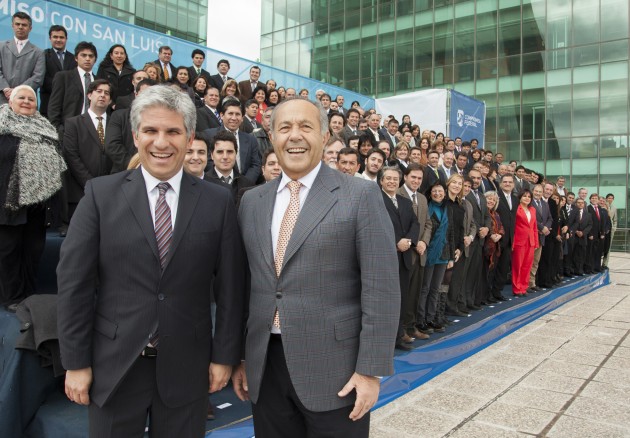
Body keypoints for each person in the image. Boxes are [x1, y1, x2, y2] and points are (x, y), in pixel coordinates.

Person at [57, 85, 245, 436]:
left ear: (189, 138)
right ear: (135, 135)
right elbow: (74, 286)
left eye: (173, 131)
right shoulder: (100, 195)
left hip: (188, 369)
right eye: (151, 131)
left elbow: (232, 288)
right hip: (113, 368)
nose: (161, 142)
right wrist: (76, 362)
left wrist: (224, 356)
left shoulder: (217, 203)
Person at [234, 98, 399, 437]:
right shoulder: (251, 202)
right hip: (266, 367)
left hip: (336, 371)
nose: (295, 136)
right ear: (271, 136)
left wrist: (370, 371)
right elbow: (244, 285)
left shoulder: (360, 195)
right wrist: (241, 357)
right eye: (285, 128)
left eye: (306, 127)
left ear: (325, 137)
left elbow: (381, 287)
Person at [0, 85, 66, 308]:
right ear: (11, 101)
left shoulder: (46, 129)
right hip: (8, 202)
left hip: (39, 205)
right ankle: (11, 297)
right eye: (22, 98)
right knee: (9, 251)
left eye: (31, 98)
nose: (27, 101)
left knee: (33, 250)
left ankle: (27, 295)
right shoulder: (2, 127)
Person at [380, 166, 419, 351]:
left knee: (402, 298)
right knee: (386, 300)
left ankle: (398, 336)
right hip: (386, 256)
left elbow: (415, 223)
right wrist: (396, 242)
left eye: (395, 179)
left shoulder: (404, 201)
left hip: (404, 257)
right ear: (381, 181)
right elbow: (376, 227)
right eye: (388, 178)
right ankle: (385, 340)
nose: (391, 182)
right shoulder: (375, 200)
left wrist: (408, 241)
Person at [62, 79, 112, 219]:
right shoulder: (73, 123)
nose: (103, 95)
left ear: (110, 100)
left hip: (111, 191)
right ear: (89, 95)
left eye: (107, 93)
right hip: (80, 192)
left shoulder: (117, 123)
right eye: (99, 91)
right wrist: (89, 183)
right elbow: (71, 156)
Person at [417, 182, 457, 336]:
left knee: (435, 288)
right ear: (430, 193)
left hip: (443, 254)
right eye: (434, 191)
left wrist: (451, 256)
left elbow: (451, 233)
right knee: (425, 288)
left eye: (440, 191)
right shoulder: (426, 207)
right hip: (429, 252)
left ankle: (431, 318)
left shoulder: (448, 209)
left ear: (444, 193)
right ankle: (421, 319)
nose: (437, 194)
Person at [397, 164, 431, 340]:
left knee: (415, 293)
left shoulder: (423, 199)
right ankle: (400, 329)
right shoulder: (397, 195)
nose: (416, 181)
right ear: (405, 177)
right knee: (403, 293)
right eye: (413, 177)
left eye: (419, 178)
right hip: (403, 254)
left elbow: (428, 224)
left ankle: (411, 327)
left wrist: (424, 242)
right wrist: (413, 241)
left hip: (420, 254)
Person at [203, 99, 262, 183]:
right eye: (230, 113)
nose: (234, 118)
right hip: (216, 185)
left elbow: (255, 165)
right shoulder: (209, 135)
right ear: (222, 115)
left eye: (237, 114)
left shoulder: (251, 139)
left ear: (242, 118)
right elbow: (207, 161)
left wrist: (244, 183)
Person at [0, 12, 45, 105]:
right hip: (2, 98)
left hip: (25, 102)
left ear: (30, 28)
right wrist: (6, 89)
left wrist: (17, 91)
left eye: (24, 25)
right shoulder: (1, 46)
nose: (20, 27)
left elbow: (38, 77)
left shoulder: (38, 52)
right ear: (12, 26)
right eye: (17, 24)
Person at [40, 25, 77, 118]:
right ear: (50, 38)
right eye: (55, 37)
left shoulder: (74, 58)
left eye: (61, 37)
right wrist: (60, 89)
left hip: (69, 107)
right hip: (48, 104)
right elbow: (42, 78)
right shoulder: (43, 55)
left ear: (66, 39)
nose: (58, 40)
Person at [512, 189, 538, 296]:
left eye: (529, 196)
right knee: (518, 265)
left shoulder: (532, 210)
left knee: (527, 265)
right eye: (524, 196)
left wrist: (536, 242)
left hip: (530, 241)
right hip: (519, 240)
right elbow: (513, 226)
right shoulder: (516, 209)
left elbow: (534, 227)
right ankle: (517, 288)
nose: (527, 198)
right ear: (520, 197)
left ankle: (523, 287)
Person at [483, 191, 504, 305]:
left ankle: (488, 295)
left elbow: (501, 227)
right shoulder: (483, 212)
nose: (491, 201)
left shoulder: (496, 214)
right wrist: (491, 234)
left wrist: (499, 235)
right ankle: (482, 297)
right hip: (485, 247)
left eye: (493, 200)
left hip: (495, 247)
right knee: (484, 274)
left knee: (491, 273)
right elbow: (483, 224)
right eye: (489, 199)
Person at [603, 193, 617, 268]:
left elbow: (615, 220)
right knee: (602, 247)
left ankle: (605, 264)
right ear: (606, 199)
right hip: (603, 230)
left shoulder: (614, 208)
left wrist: (614, 228)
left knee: (608, 248)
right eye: (609, 198)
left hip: (611, 230)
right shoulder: (603, 206)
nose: (610, 199)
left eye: (612, 198)